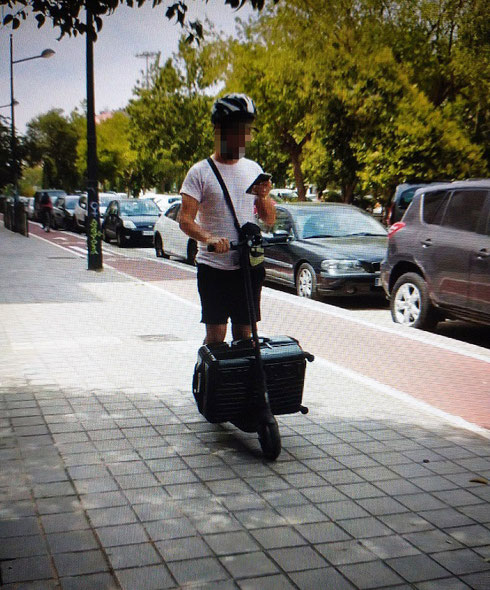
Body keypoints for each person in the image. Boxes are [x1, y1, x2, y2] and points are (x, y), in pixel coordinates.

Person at [179, 93, 276, 345]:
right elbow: (185, 220)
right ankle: (212, 382)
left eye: (247, 131)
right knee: (217, 335)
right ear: (220, 130)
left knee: (246, 335)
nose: (245, 138)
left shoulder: (253, 169)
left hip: (247, 265)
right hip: (214, 267)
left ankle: (242, 385)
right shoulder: (199, 172)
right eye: (239, 131)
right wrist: (209, 238)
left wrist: (264, 197)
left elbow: (269, 219)